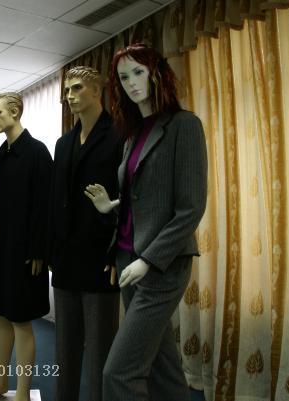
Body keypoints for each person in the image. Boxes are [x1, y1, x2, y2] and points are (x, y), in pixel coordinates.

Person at [84, 43, 208, 401]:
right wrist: (112, 206)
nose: (132, 83)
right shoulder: (133, 135)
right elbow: (144, 198)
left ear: (157, 74)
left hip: (161, 265)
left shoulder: (184, 125)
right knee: (163, 366)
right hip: (128, 260)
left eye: (139, 72)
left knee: (119, 373)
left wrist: (148, 260)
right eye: (124, 77)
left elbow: (190, 208)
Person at [48, 67, 122, 401]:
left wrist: (116, 253)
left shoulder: (119, 136)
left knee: (99, 354)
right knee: (64, 351)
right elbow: (55, 200)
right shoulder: (63, 143)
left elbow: (129, 200)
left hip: (100, 260)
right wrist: (52, 250)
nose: (70, 96)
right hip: (66, 260)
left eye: (77, 88)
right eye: (66, 90)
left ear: (96, 90)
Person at [0, 93, 52, 401]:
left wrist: (38, 251)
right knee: (0, 317)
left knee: (21, 320)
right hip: (0, 250)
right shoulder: (2, 155)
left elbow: (44, 206)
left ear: (15, 111)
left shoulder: (37, 153)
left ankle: (22, 392)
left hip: (25, 254)